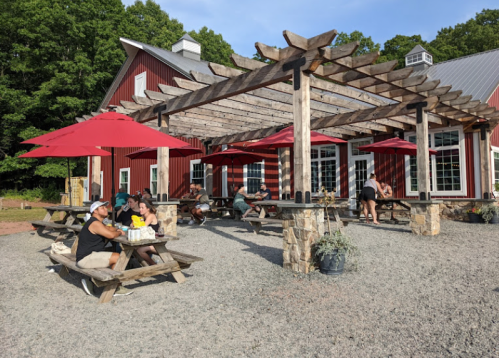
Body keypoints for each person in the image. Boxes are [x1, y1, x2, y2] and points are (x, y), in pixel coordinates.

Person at [76, 201, 132, 296]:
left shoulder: (97, 222)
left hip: (88, 255)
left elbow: (109, 229)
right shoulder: (95, 223)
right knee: (118, 258)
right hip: (86, 258)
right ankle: (116, 288)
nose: (106, 209)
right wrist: (119, 233)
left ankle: (92, 281)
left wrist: (116, 229)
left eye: (105, 207)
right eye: (102, 208)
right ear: (95, 211)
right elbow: (110, 235)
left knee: (114, 255)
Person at [135, 200, 162, 265]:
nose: (140, 209)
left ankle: (153, 265)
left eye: (142, 208)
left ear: (148, 208)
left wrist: (135, 223)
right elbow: (133, 225)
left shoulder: (151, 216)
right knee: (134, 248)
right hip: (148, 241)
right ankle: (145, 264)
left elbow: (142, 227)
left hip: (155, 243)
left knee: (139, 250)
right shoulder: (143, 216)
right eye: (139, 207)